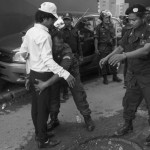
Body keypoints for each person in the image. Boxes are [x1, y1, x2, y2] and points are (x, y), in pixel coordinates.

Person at [18, 2, 75, 149]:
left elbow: (24, 54)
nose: (53, 22)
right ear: (45, 18)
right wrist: (65, 73)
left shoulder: (30, 32)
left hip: (33, 74)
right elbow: (48, 60)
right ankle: (42, 140)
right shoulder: (45, 35)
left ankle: (40, 133)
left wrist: (28, 74)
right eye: (52, 19)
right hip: (42, 75)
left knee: (36, 108)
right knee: (43, 109)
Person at [100, 4, 150, 146]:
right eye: (129, 20)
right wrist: (107, 57)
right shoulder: (130, 32)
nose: (131, 22)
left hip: (147, 75)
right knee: (129, 102)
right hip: (133, 74)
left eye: (134, 20)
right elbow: (121, 47)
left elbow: (146, 50)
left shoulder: (148, 30)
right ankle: (127, 125)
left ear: (143, 17)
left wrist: (124, 56)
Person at [34, 31, 95, 132]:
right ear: (52, 43)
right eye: (57, 45)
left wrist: (45, 84)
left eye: (61, 45)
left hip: (70, 74)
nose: (59, 48)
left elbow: (64, 68)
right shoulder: (47, 48)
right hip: (55, 74)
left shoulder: (67, 50)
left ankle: (87, 118)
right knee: (53, 97)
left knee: (79, 95)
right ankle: (54, 120)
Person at [94, 10, 122, 84]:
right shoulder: (98, 27)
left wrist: (115, 46)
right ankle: (105, 78)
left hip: (111, 47)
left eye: (109, 18)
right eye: (106, 18)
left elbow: (114, 37)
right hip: (102, 47)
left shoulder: (112, 26)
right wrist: (96, 48)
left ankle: (115, 76)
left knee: (113, 62)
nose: (108, 19)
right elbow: (96, 38)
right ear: (102, 18)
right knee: (103, 63)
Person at [60, 12, 81, 100]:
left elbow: (78, 43)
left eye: (68, 20)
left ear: (71, 20)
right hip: (66, 56)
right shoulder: (61, 31)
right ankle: (65, 92)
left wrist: (81, 55)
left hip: (75, 55)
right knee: (66, 74)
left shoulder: (75, 30)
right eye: (65, 20)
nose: (66, 22)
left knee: (76, 73)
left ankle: (76, 90)